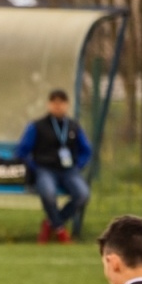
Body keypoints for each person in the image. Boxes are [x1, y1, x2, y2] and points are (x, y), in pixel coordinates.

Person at [16, 89, 93, 243]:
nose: (58, 106)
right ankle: (60, 230)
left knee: (83, 195)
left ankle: (52, 223)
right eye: (54, 103)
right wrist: (34, 167)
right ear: (49, 104)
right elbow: (22, 151)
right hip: (45, 169)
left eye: (61, 103)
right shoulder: (37, 126)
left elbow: (86, 150)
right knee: (48, 193)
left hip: (69, 170)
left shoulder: (73, 127)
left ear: (67, 105)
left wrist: (78, 166)